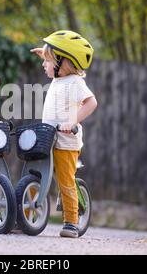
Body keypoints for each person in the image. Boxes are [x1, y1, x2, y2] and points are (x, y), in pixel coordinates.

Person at [30, 30, 98, 238]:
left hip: (66, 141)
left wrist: (72, 121)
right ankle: (26, 216)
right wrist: (45, 53)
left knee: (65, 180)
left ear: (62, 63)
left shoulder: (75, 82)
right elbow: (55, 62)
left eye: (48, 61)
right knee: (34, 172)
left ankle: (71, 222)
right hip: (48, 137)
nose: (44, 65)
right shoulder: (59, 78)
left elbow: (91, 102)